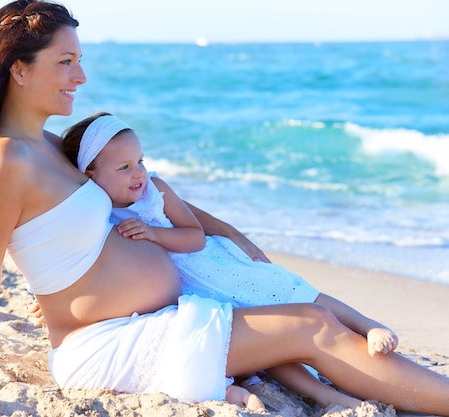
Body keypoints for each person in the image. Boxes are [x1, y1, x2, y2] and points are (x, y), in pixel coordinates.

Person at [0, 1, 449, 416]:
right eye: (65, 62)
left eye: (79, 61)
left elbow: (138, 198)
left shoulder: (55, 148)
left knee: (309, 312)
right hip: (104, 346)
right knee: (312, 326)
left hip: (158, 319)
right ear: (20, 68)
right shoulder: (2, 163)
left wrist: (228, 233)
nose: (80, 77)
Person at [60, 111, 398, 408]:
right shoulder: (100, 215)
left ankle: (367, 324)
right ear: (91, 175)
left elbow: (193, 235)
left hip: (214, 268)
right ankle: (323, 394)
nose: (139, 173)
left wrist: (155, 234)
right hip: (193, 296)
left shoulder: (154, 191)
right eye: (124, 167)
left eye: (141, 161)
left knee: (287, 290)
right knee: (269, 343)